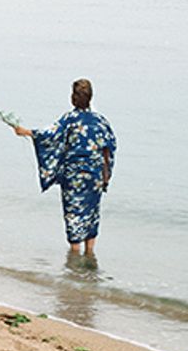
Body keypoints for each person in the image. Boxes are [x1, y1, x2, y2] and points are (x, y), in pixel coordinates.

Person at [10, 79, 116, 257]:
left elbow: (49, 135)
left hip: (73, 176)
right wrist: (106, 175)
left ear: (73, 98)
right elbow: (109, 148)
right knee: (92, 215)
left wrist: (26, 132)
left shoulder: (70, 119)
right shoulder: (100, 121)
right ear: (90, 97)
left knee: (74, 216)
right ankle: (90, 257)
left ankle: (74, 264)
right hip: (94, 175)